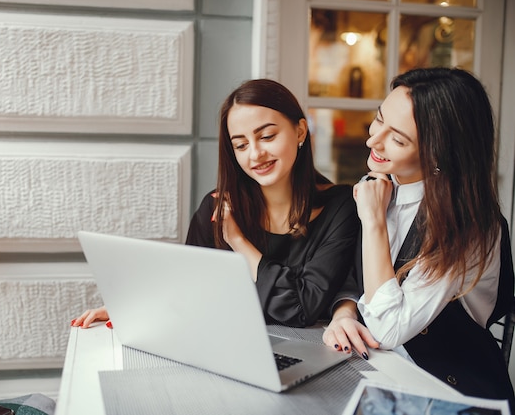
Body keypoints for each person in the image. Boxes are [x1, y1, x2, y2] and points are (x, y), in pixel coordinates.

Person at [73, 78, 361, 338]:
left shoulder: (340, 206)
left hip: (310, 355)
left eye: (267, 136)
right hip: (225, 349)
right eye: (241, 145)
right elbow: (191, 287)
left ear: (300, 131)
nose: (255, 154)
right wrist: (137, 306)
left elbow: (302, 308)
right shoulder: (217, 208)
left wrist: (239, 243)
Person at [322, 67, 515, 405]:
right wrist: (344, 314)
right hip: (381, 373)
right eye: (379, 120)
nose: (373, 141)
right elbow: (355, 275)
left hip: (449, 395)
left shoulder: (468, 225)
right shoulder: (384, 185)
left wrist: (374, 223)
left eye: (397, 139)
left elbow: (388, 329)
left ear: (440, 153)